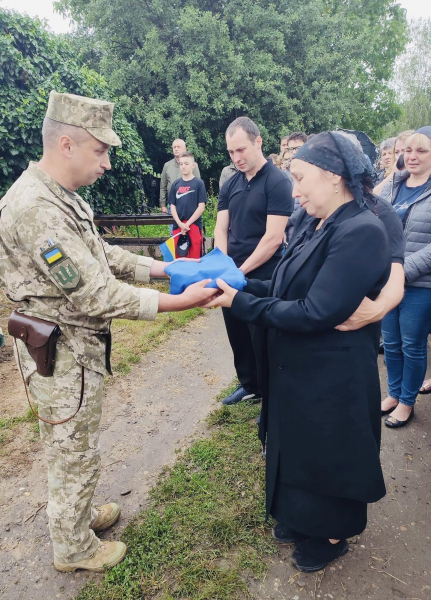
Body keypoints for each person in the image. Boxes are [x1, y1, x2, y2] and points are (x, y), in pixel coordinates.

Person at [0, 91, 217, 573]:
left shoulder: (61, 197)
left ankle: (77, 519)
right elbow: (95, 294)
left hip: (75, 348)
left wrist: (165, 268)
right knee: (70, 448)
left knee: (76, 445)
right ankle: (72, 548)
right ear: (66, 144)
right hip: (61, 355)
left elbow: (102, 256)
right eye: (101, 150)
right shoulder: (37, 209)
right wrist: (177, 301)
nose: (107, 163)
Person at [205, 131, 393, 572]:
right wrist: (242, 283)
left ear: (332, 177)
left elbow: (316, 311)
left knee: (328, 452)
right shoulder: (317, 222)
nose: (294, 190)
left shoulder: (362, 230)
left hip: (334, 374)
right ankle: (300, 517)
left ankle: (331, 535)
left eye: (300, 178)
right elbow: (288, 286)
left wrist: (242, 303)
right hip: (302, 366)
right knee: (300, 446)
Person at [214, 116, 294, 405]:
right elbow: (221, 228)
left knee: (263, 336)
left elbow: (273, 237)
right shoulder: (230, 183)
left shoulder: (277, 181)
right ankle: (249, 384)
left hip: (264, 273)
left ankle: (271, 391)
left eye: (241, 150)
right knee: (237, 332)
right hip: (232, 270)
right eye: (231, 152)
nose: (237, 158)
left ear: (258, 142)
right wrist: (223, 266)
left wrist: (240, 271)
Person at [381, 127, 431, 427]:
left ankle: (407, 401)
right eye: (407, 150)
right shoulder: (393, 186)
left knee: (412, 344)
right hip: (387, 280)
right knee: (391, 342)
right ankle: (394, 392)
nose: (412, 156)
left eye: (421, 151)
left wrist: (402, 271)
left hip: (419, 284)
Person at [169, 151, 207, 258]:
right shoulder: (175, 184)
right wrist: (180, 224)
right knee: (179, 256)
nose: (183, 166)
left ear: (193, 165)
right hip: (178, 225)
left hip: (193, 225)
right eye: (181, 164)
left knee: (195, 256)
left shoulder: (199, 183)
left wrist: (188, 224)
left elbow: (201, 206)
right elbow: (172, 206)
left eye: (186, 163)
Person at [159, 138, 200, 213]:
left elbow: (197, 186)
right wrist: (162, 205)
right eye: (174, 147)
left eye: (178, 147)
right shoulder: (167, 165)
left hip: (189, 204)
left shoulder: (193, 165)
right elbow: (163, 187)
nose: (176, 149)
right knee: (173, 225)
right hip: (172, 204)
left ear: (185, 148)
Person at [374, 131, 414, 199]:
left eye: (405, 151)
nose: (400, 155)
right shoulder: (392, 174)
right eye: (397, 152)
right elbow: (374, 197)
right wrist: (393, 174)